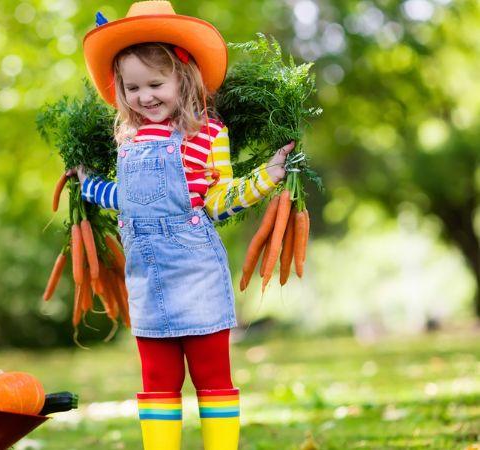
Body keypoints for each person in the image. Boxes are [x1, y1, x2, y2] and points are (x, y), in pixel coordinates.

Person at [77, 2, 294, 449]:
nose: (145, 96)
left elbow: (218, 201)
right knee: (158, 378)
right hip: (145, 279)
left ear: (184, 77)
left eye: (156, 83)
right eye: (132, 87)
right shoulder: (127, 138)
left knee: (212, 375)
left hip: (196, 273)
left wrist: (266, 178)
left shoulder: (209, 134)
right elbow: (126, 202)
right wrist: (87, 184)